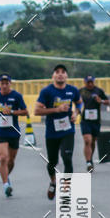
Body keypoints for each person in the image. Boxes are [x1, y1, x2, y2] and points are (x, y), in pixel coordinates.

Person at [34, 65, 82, 199]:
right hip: (52, 132)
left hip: (68, 130)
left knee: (67, 158)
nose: (60, 74)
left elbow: (79, 103)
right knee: (52, 162)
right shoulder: (47, 92)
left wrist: (76, 112)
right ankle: (53, 182)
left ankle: (66, 190)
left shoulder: (72, 90)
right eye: (57, 72)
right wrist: (56, 110)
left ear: (66, 76)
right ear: (53, 76)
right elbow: (37, 111)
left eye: (63, 72)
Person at [0, 74, 27, 196]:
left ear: (10, 83)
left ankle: (5, 175)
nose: (4, 85)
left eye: (6, 82)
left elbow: (25, 111)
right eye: (2, 83)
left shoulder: (16, 96)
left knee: (11, 161)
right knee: (3, 157)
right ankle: (6, 185)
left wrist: (13, 112)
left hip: (13, 132)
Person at [79, 75, 109, 171]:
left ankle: (90, 158)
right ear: (85, 82)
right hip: (85, 120)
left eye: (92, 82)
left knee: (93, 141)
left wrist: (101, 101)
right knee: (87, 140)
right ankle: (88, 162)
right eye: (88, 82)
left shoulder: (98, 91)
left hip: (96, 121)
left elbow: (108, 102)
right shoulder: (81, 91)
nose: (90, 84)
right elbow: (75, 102)